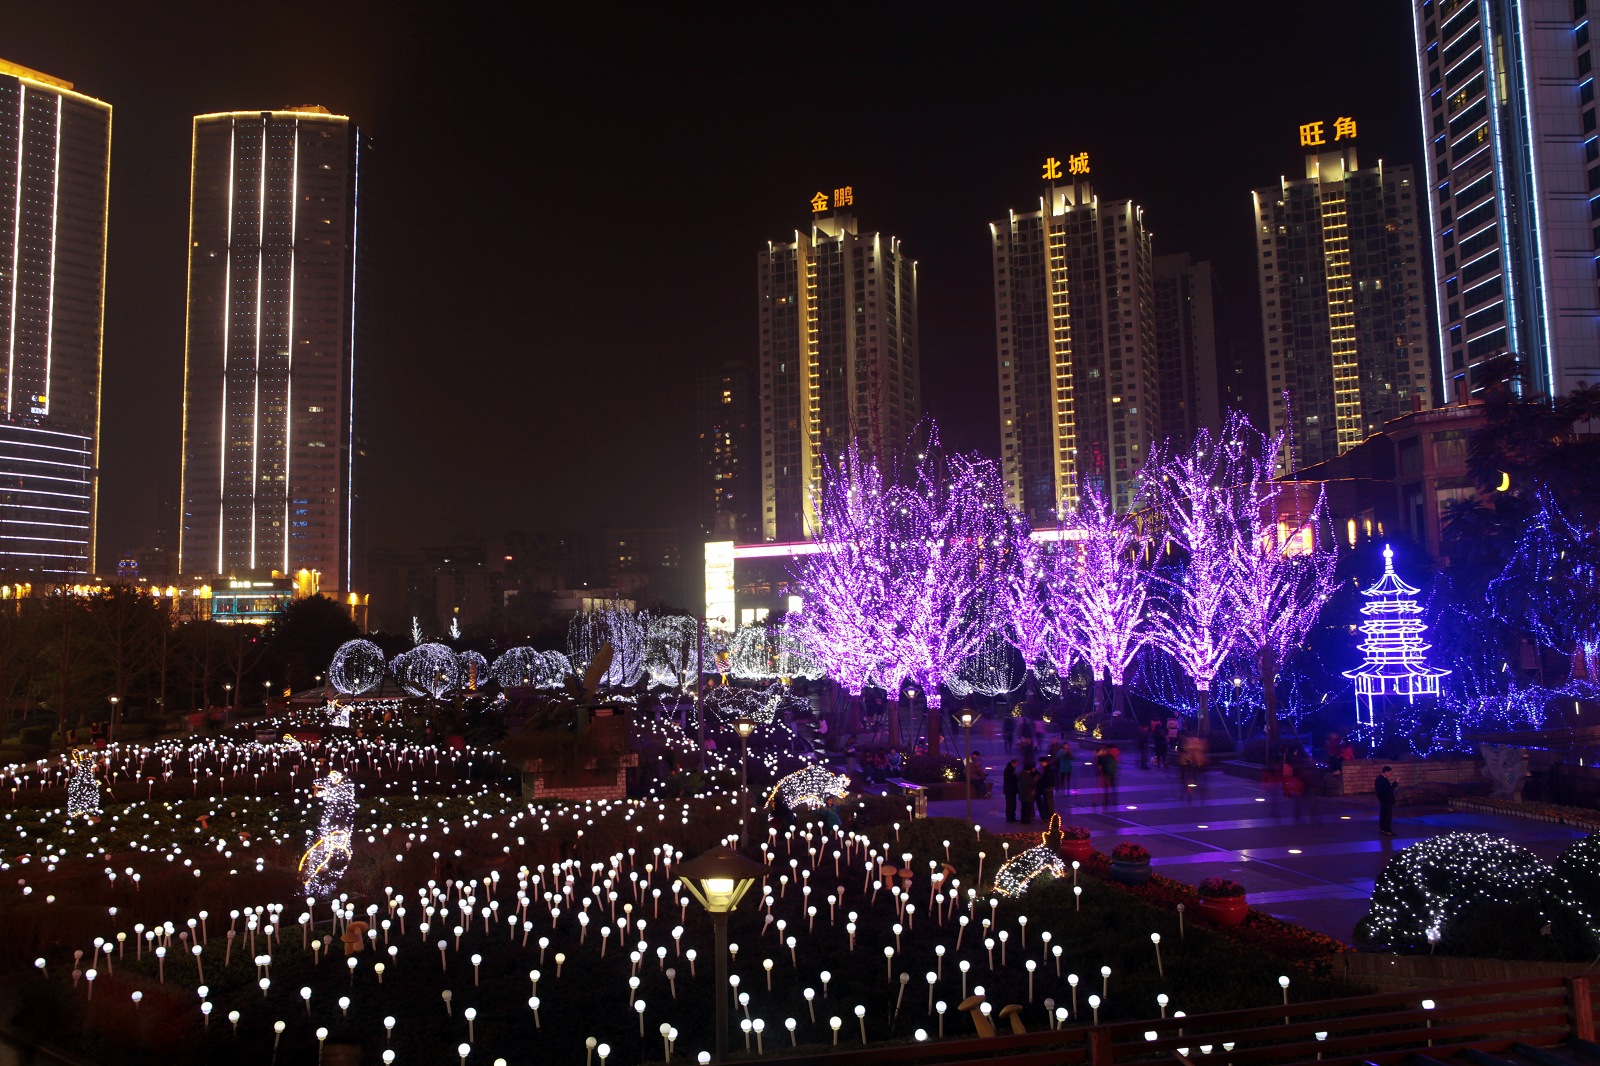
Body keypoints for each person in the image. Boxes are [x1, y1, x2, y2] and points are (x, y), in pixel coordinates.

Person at [1375, 765, 1397, 836]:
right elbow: (1388, 790)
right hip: (1386, 800)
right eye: (1390, 773)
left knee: (1383, 815)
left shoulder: (1379, 779)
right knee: (1387, 815)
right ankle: (1387, 830)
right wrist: (1395, 783)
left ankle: (1383, 829)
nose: (1390, 775)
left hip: (1383, 800)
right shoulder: (1382, 780)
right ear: (1386, 772)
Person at [1003, 759, 1020, 823]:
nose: (1017, 765)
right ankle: (1010, 817)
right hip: (1010, 790)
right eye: (1016, 764)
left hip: (1011, 790)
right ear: (1013, 763)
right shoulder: (1009, 770)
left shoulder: (1011, 769)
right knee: (1010, 804)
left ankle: (1012, 817)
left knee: (1012, 804)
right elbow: (1010, 780)